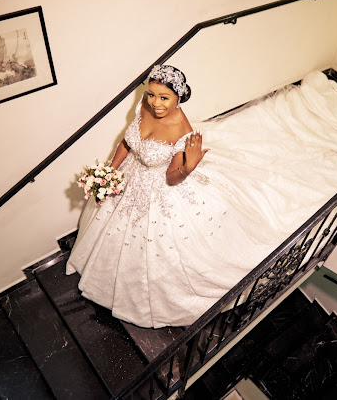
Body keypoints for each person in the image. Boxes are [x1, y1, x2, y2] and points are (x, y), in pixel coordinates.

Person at [66, 65, 276, 328]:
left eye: (164, 97)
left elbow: (172, 177)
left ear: (179, 97)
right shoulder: (145, 106)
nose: (156, 103)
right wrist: (110, 172)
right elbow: (127, 143)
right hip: (131, 175)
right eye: (151, 94)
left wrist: (189, 167)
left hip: (162, 185)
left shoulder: (182, 131)